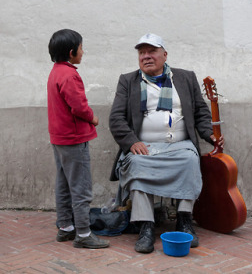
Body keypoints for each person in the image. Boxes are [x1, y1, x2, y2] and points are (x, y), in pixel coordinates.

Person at [109, 33, 223, 253]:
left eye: (151, 51)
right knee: (137, 164)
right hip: (145, 147)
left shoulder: (185, 78)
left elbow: (200, 113)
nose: (146, 56)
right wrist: (131, 141)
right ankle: (146, 226)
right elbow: (116, 118)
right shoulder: (128, 80)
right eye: (142, 52)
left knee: (190, 159)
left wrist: (210, 135)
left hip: (180, 146)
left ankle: (184, 221)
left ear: (164, 54)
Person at [47, 29, 109, 249]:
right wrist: (93, 118)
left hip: (59, 138)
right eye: (81, 48)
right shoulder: (70, 75)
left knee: (63, 182)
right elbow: (79, 107)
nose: (83, 52)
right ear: (72, 52)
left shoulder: (55, 71)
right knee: (81, 187)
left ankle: (65, 227)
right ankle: (83, 233)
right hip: (73, 139)